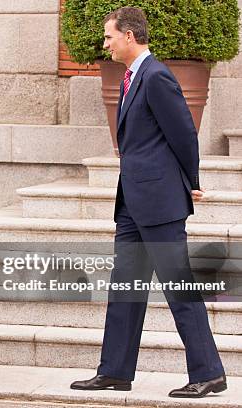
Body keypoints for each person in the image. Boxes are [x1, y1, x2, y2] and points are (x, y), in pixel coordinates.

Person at [70, 7, 226, 398]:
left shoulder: (156, 76)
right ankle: (116, 371)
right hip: (133, 203)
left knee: (178, 287)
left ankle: (209, 373)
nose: (105, 43)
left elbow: (185, 134)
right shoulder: (131, 78)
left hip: (159, 203)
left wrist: (189, 182)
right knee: (124, 287)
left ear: (129, 36)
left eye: (109, 36)